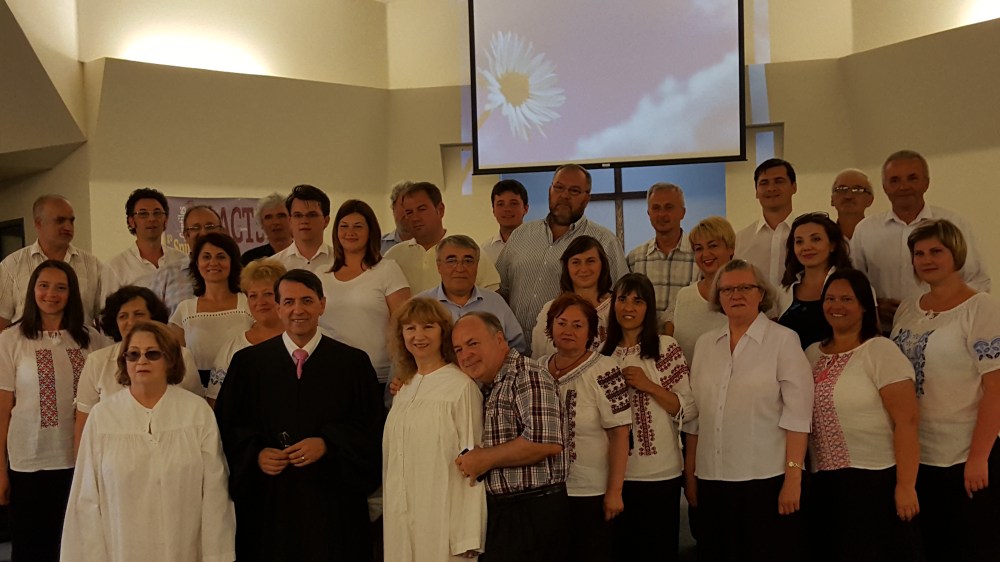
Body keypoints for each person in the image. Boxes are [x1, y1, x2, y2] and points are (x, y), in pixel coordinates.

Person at [215, 269, 383, 561]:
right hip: (269, 505)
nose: (298, 310)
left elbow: (372, 430)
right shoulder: (248, 364)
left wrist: (328, 443)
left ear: (322, 304)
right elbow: (228, 428)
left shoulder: (352, 363)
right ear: (278, 308)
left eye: (307, 300)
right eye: (289, 302)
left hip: (333, 505)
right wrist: (255, 454)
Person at [60, 321, 236, 561]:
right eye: (133, 354)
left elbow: (215, 494)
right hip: (121, 548)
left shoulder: (196, 412)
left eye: (152, 354)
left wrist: (216, 556)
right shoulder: (103, 417)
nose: (141, 361)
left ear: (170, 359)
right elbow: (86, 498)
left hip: (184, 548)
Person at [686, 259, 813, 562]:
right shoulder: (705, 344)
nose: (736, 295)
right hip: (712, 479)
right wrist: (690, 475)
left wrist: (793, 479)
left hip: (765, 481)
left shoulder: (783, 340)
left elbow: (798, 416)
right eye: (727, 289)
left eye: (745, 287)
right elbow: (695, 417)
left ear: (761, 293)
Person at [890, 219, 1000, 561]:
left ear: (956, 254)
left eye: (936, 251)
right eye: (919, 253)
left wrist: (979, 457)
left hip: (964, 455)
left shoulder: (981, 307)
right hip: (917, 455)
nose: (927, 259)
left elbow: (996, 389)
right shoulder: (908, 308)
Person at [805, 268, 922, 562]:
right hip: (824, 485)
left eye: (847, 299)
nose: (837, 306)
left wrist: (906, 486)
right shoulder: (811, 354)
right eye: (830, 299)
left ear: (864, 306)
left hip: (874, 483)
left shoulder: (880, 351)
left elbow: (907, 422)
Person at [452, 311, 568, 562]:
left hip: (533, 512)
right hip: (507, 513)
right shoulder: (487, 385)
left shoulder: (527, 374)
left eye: (473, 343)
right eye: (458, 349)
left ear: (499, 339)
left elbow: (545, 443)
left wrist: (484, 459)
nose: (465, 355)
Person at [0, 261, 92, 561]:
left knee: (74, 548)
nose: (51, 294)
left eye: (60, 287)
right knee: (31, 549)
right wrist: (0, 470)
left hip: (79, 461)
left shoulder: (91, 340)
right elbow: (2, 410)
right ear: (32, 290)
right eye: (44, 286)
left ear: (71, 293)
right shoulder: (10, 341)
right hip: (29, 462)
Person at [601, 274, 695, 562]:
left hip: (659, 474)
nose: (628, 307)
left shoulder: (665, 347)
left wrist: (649, 385)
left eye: (638, 301)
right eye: (622, 299)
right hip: (614, 476)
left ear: (649, 307)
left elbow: (688, 409)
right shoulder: (602, 353)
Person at [383, 298, 486, 561]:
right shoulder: (404, 389)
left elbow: (473, 464)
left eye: (428, 327)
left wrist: (469, 534)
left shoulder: (460, 387)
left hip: (443, 523)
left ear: (443, 332)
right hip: (401, 520)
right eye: (410, 328)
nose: (418, 336)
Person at [538, 293, 631, 562]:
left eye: (577, 325)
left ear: (590, 332)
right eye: (561, 323)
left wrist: (614, 492)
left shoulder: (605, 369)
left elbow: (620, 434)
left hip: (590, 492)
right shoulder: (537, 368)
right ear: (550, 327)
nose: (568, 330)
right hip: (547, 492)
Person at [853, 150, 990, 328]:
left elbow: (978, 281)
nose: (904, 187)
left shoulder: (954, 224)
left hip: (944, 329)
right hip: (883, 330)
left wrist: (945, 311)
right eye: (895, 180)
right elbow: (853, 283)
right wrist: (874, 306)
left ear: (926, 183)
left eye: (912, 178)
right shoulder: (865, 230)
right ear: (884, 187)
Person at [496, 164, 629, 346]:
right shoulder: (521, 234)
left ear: (587, 198)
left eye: (574, 191)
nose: (564, 195)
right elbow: (501, 291)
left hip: (568, 351)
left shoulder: (605, 241)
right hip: (513, 349)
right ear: (550, 190)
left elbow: (621, 300)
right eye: (559, 188)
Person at [74, 286, 203, 454]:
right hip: (114, 456)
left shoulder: (181, 355)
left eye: (139, 314)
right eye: (123, 316)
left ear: (153, 318)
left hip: (173, 452)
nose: (131, 321)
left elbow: (196, 408)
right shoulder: (97, 362)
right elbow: (83, 427)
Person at [317, 199, 410, 393]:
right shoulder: (320, 274)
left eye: (358, 226)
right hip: (329, 373)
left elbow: (403, 324)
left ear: (371, 231)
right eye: (344, 226)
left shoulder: (387, 269)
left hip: (376, 375)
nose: (350, 232)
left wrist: (403, 369)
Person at [0, 195, 106, 331]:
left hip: (81, 342)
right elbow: (2, 321)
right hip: (26, 343)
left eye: (71, 221)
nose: (68, 227)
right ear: (38, 223)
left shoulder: (92, 265)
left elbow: (103, 317)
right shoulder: (12, 265)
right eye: (60, 221)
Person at [168, 232, 254, 387]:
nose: (213, 263)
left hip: (244, 386)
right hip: (196, 390)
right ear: (197, 263)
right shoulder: (184, 309)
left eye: (221, 257)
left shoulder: (248, 303)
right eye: (206, 257)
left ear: (232, 262)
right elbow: (176, 361)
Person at [417, 234, 527, 354]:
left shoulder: (495, 302)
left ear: (477, 265)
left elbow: (517, 349)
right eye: (451, 261)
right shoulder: (420, 305)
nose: (460, 268)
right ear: (439, 266)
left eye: (468, 261)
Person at [384, 182, 501, 293]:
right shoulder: (394, 256)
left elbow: (492, 296)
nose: (415, 218)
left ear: (440, 210)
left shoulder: (468, 251)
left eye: (422, 209)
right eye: (409, 212)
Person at [207, 259, 287, 405]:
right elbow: (215, 401)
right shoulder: (233, 347)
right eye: (253, 296)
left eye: (268, 294)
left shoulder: (304, 339)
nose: (260, 302)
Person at [626, 183, 699, 327]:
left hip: (692, 339)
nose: (662, 214)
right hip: (646, 340)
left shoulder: (699, 256)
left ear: (683, 212)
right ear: (648, 213)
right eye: (656, 208)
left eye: (669, 207)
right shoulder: (635, 259)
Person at [776, 212, 852, 349]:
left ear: (832, 245)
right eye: (799, 241)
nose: (806, 247)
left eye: (816, 239)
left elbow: (871, 335)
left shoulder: (853, 285)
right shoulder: (783, 290)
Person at [531, 235, 614, 358]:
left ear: (602, 264)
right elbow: (538, 357)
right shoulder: (550, 310)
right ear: (567, 267)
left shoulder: (617, 308)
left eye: (590, 261)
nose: (583, 269)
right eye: (576, 262)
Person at [665, 216, 733, 362]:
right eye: (699, 248)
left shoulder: (747, 293)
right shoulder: (683, 296)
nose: (706, 254)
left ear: (730, 248)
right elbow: (666, 349)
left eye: (713, 246)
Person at [106, 187, 188, 290]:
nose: (152, 219)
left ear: (166, 220)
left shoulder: (182, 261)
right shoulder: (116, 268)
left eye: (157, 213)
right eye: (143, 214)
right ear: (131, 221)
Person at [149, 204, 224, 315]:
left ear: (221, 232)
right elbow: (151, 319)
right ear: (186, 235)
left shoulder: (236, 273)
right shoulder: (165, 275)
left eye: (210, 227)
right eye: (195, 228)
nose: (203, 233)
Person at [735, 158, 797, 289]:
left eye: (779, 181)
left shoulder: (807, 235)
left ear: (794, 187)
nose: (771, 188)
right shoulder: (740, 240)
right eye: (764, 183)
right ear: (756, 192)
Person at [272, 184, 335, 274]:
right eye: (298, 215)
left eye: (312, 215)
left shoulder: (341, 262)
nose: (304, 221)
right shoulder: (274, 265)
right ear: (290, 221)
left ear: (326, 221)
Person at [480, 179, 529, 266]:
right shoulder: (485, 251)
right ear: (493, 210)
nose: (507, 209)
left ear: (525, 208)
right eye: (500, 204)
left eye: (513, 203)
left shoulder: (539, 246)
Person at [241, 192, 292, 265]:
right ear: (261, 223)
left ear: (292, 219)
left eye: (281, 216)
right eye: (268, 217)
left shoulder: (304, 255)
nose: (276, 222)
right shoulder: (250, 259)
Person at [829, 168, 874, 240]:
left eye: (857, 190)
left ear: (870, 200)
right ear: (832, 199)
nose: (848, 196)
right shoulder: (825, 238)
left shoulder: (879, 236)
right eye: (842, 189)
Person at [380, 180, 415, 255]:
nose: (409, 210)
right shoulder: (377, 247)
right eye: (404, 204)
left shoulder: (436, 245)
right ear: (393, 208)